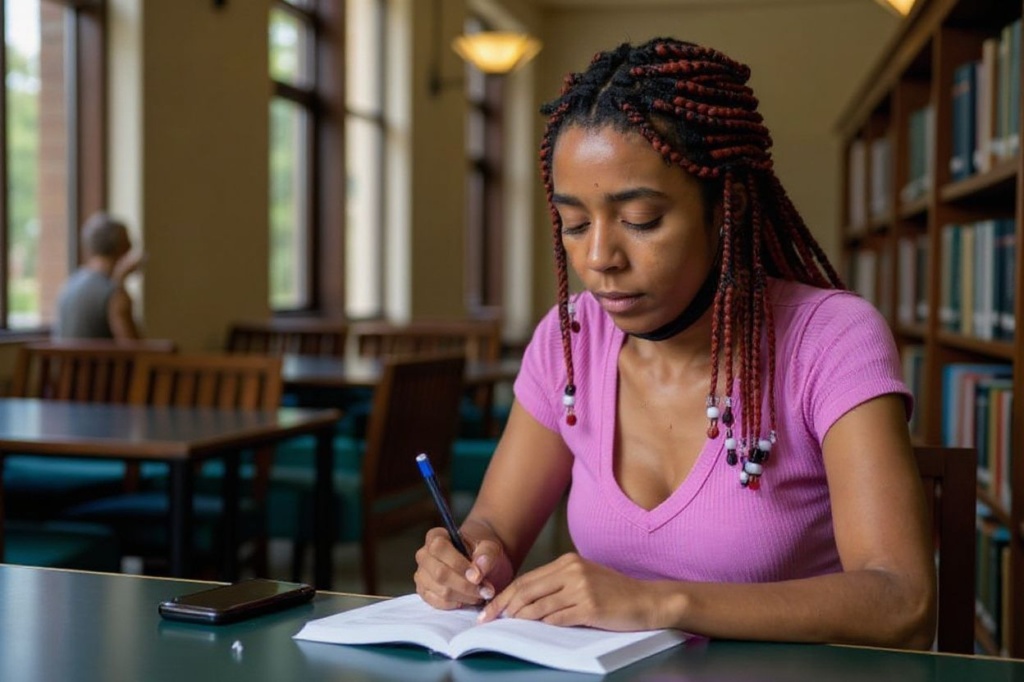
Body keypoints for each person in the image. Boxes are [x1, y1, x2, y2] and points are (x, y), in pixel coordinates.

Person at [414, 37, 936, 649]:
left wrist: (659, 600)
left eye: (641, 221)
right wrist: (469, 556)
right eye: (574, 225)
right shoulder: (571, 340)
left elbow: (901, 599)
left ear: (724, 209)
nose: (600, 258)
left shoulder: (830, 339)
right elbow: (494, 524)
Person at [53, 211, 144, 340]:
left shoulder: (69, 285)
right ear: (123, 247)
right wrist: (121, 283)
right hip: (100, 361)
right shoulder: (114, 293)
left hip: (65, 361)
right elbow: (134, 348)